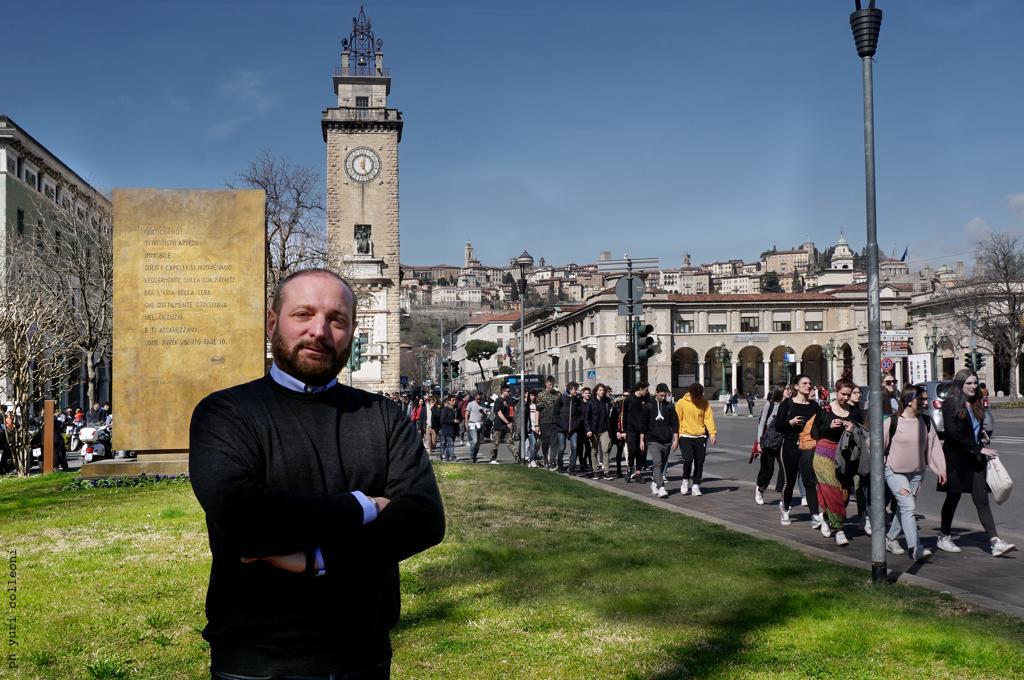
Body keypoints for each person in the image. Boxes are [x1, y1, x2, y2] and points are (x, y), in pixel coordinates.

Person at [189, 268, 444, 679]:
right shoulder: (225, 413)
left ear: (352, 332)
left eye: (336, 320)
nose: (319, 331)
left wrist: (316, 559)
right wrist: (361, 507)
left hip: (362, 658)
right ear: (272, 322)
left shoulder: (384, 416)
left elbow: (423, 519)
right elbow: (244, 518)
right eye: (303, 314)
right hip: (257, 662)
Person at [937, 369, 1016, 557]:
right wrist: (977, 448)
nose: (973, 386)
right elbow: (952, 433)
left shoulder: (975, 402)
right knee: (953, 498)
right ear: (960, 385)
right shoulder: (951, 402)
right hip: (956, 459)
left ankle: (995, 541)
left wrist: (982, 436)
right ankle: (944, 536)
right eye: (969, 383)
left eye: (975, 382)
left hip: (974, 459)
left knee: (981, 500)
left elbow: (974, 428)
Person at [883, 384, 948, 561]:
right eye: (921, 399)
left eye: (926, 399)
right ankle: (916, 548)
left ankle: (890, 538)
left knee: (905, 508)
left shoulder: (926, 421)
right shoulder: (892, 421)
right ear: (910, 400)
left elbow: (934, 446)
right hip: (895, 471)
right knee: (909, 507)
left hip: (917, 473)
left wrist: (940, 468)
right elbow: (873, 443)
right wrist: (882, 460)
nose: (925, 402)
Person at [811, 374, 862, 545]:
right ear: (836, 392)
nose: (846, 398)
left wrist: (853, 428)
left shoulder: (854, 412)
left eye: (849, 394)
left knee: (844, 494)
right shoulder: (825, 409)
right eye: (843, 394)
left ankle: (826, 517)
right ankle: (839, 530)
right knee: (831, 491)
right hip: (824, 453)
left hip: (845, 456)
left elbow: (862, 434)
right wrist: (829, 426)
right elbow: (814, 433)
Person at [773, 374, 822, 527]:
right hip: (789, 446)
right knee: (789, 481)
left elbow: (820, 426)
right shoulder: (787, 404)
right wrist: (790, 423)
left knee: (809, 481)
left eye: (810, 383)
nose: (808, 386)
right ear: (796, 386)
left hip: (807, 447)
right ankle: (785, 509)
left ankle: (815, 515)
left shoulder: (814, 406)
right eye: (804, 383)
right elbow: (778, 426)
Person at [675, 382, 717, 496]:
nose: (697, 399)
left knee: (699, 461)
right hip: (685, 435)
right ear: (690, 394)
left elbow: (708, 418)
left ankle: (696, 485)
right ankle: (685, 480)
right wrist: (676, 436)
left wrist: (712, 434)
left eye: (699, 397)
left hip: (700, 436)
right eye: (695, 397)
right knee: (688, 459)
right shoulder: (681, 403)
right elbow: (677, 420)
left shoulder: (704, 402)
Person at [641, 383, 679, 498]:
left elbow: (675, 423)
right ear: (656, 393)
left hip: (666, 440)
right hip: (653, 440)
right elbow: (643, 424)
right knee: (657, 463)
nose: (663, 397)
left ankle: (654, 483)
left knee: (663, 463)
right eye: (661, 395)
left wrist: (676, 439)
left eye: (665, 396)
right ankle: (661, 487)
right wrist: (641, 440)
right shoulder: (648, 406)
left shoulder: (670, 406)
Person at [753, 383, 786, 505]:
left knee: (785, 468)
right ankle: (760, 488)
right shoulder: (770, 404)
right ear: (780, 391)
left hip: (783, 439)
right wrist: (759, 442)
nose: (790, 391)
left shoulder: (789, 404)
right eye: (787, 389)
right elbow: (761, 424)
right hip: (769, 440)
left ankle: (783, 494)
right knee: (768, 469)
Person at [553, 382, 584, 474]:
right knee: (562, 448)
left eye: (577, 389)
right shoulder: (561, 399)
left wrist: (576, 424)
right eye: (575, 389)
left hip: (574, 428)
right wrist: (560, 424)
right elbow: (555, 414)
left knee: (574, 447)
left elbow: (580, 414)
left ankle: (571, 468)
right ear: (570, 390)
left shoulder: (577, 400)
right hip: (561, 428)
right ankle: (560, 466)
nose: (576, 391)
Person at [623, 382, 649, 482]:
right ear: (640, 389)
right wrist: (623, 431)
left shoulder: (646, 399)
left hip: (642, 430)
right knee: (632, 450)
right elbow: (624, 415)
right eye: (646, 389)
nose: (647, 391)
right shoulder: (629, 399)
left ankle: (638, 473)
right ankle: (629, 469)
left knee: (641, 452)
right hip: (631, 429)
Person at [586, 384, 613, 479]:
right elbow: (586, 418)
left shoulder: (606, 402)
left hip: (604, 430)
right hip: (593, 430)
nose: (602, 392)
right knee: (594, 450)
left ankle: (606, 471)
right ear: (596, 391)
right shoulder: (591, 403)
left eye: (603, 390)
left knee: (606, 449)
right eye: (600, 390)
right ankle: (595, 471)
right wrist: (588, 429)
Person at [536, 376, 560, 470]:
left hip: (555, 422)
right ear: (546, 383)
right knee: (546, 442)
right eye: (550, 384)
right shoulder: (541, 395)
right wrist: (537, 424)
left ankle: (552, 460)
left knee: (555, 442)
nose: (551, 386)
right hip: (544, 422)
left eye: (552, 385)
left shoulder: (557, 394)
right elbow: (538, 410)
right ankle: (545, 458)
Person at [489, 386, 514, 464]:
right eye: (508, 391)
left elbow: (509, 413)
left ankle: (518, 458)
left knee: (510, 442)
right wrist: (507, 422)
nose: (509, 393)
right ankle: (492, 459)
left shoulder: (507, 400)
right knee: (496, 443)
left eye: (509, 391)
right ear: (503, 392)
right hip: (498, 425)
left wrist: (510, 423)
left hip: (506, 425)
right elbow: (499, 413)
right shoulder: (498, 400)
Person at [609, 390, 628, 478]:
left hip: (627, 432)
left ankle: (631, 470)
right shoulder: (617, 406)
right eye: (624, 396)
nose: (626, 397)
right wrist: (616, 431)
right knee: (618, 451)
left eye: (628, 396)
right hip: (618, 432)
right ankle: (618, 470)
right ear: (622, 396)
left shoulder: (632, 406)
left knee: (630, 452)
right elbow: (612, 421)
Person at [465, 392, 487, 463]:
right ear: (475, 398)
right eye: (478, 399)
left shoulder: (483, 404)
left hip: (480, 425)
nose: (479, 400)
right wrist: (466, 425)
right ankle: (471, 456)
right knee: (475, 441)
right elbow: (466, 415)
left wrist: (483, 412)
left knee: (478, 443)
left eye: (480, 399)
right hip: (472, 424)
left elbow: (486, 414)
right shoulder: (470, 404)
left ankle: (474, 456)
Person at [439, 395, 460, 462]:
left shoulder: (456, 409)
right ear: (448, 401)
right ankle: (453, 457)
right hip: (447, 430)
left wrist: (459, 420)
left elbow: (459, 417)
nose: (454, 401)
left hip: (454, 429)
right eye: (452, 400)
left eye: (455, 400)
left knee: (449, 445)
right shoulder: (445, 409)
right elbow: (443, 420)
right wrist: (453, 421)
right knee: (451, 444)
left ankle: (446, 458)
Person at [578, 387, 594, 473]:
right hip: (580, 428)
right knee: (580, 448)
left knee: (589, 448)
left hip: (588, 429)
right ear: (582, 394)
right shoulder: (579, 403)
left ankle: (587, 462)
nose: (587, 395)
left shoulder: (591, 403)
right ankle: (581, 464)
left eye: (589, 393)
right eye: (586, 393)